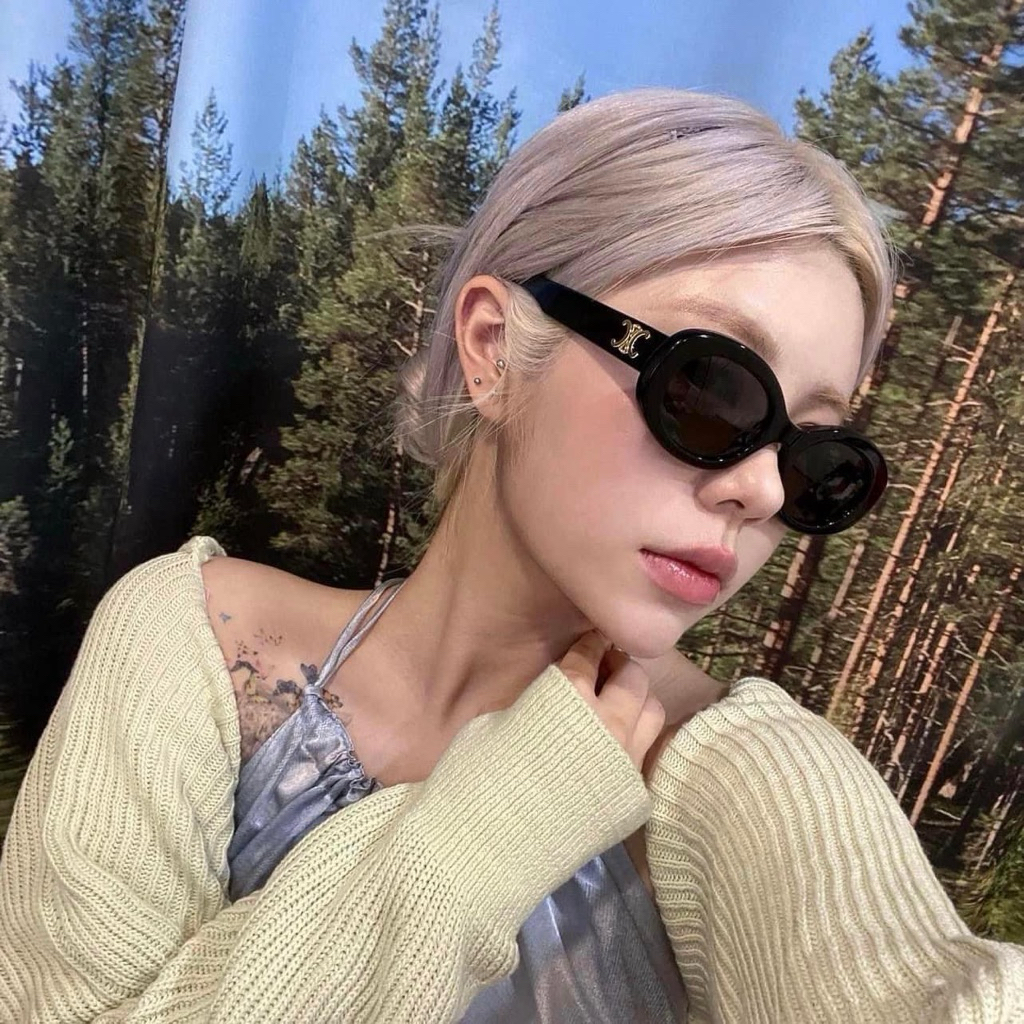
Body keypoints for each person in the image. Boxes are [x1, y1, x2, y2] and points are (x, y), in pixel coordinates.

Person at [1, 88, 1022, 1023]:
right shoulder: (198, 640)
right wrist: (483, 834)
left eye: (818, 457)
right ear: (493, 347)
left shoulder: (745, 778)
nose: (760, 489)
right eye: (713, 389)